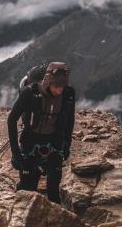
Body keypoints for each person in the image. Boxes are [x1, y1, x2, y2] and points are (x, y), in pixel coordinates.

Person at [7, 62, 75, 204]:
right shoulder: (30, 93)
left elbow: (69, 119)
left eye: (62, 86)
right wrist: (16, 153)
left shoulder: (68, 94)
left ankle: (56, 222)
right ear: (48, 81)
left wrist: (67, 144)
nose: (59, 90)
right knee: (27, 191)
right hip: (30, 144)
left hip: (54, 144)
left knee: (54, 192)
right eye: (56, 86)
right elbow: (12, 119)